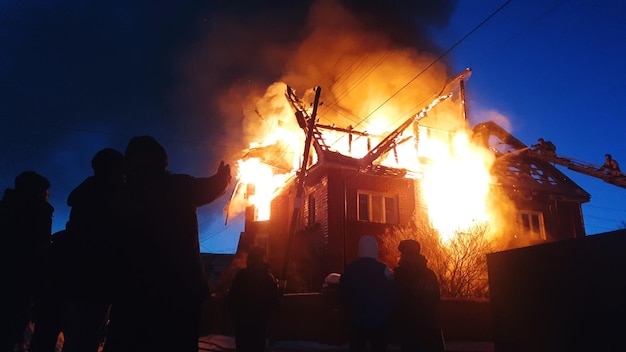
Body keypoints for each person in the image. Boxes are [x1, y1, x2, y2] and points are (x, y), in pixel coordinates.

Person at [103, 135, 232, 352]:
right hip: (179, 289)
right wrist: (223, 176)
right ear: (161, 161)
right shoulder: (177, 186)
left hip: (132, 291)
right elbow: (211, 187)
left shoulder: (121, 194)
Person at [60, 148, 126, 352]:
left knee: (79, 333)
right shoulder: (107, 197)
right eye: (120, 169)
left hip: (79, 276)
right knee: (87, 332)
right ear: (112, 170)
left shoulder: (87, 194)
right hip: (96, 277)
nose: (124, 174)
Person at [0, 171, 54, 352]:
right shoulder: (39, 214)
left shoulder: (6, 209)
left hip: (8, 279)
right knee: (11, 330)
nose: (48, 196)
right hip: (22, 283)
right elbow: (39, 253)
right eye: (45, 192)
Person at [339, 235, 395, 352]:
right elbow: (392, 290)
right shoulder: (383, 269)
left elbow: (343, 291)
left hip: (357, 321)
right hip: (379, 321)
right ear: (375, 249)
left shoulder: (350, 269)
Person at [392, 239, 443, 352]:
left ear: (405, 255)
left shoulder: (401, 275)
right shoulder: (430, 275)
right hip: (427, 326)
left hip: (408, 327)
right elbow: (436, 299)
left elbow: (395, 300)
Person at [228, 246, 279, 352]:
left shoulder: (241, 276)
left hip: (242, 325)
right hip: (259, 325)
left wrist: (234, 318)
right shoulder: (268, 278)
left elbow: (232, 299)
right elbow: (273, 303)